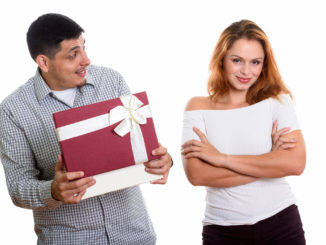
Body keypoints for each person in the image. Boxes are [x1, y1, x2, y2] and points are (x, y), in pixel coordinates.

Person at [0, 13, 173, 245]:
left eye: (84, 48)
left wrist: (164, 160)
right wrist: (52, 190)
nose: (86, 60)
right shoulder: (13, 110)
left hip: (135, 235)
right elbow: (18, 188)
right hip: (70, 239)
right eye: (74, 54)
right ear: (44, 62)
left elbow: (139, 146)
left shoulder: (111, 81)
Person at [181, 20, 306, 244]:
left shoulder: (277, 101)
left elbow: (295, 164)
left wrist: (221, 159)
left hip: (281, 222)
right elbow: (197, 175)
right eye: (237, 60)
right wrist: (270, 163)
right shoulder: (197, 107)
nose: (246, 71)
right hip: (222, 230)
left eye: (255, 62)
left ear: (264, 65)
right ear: (222, 59)